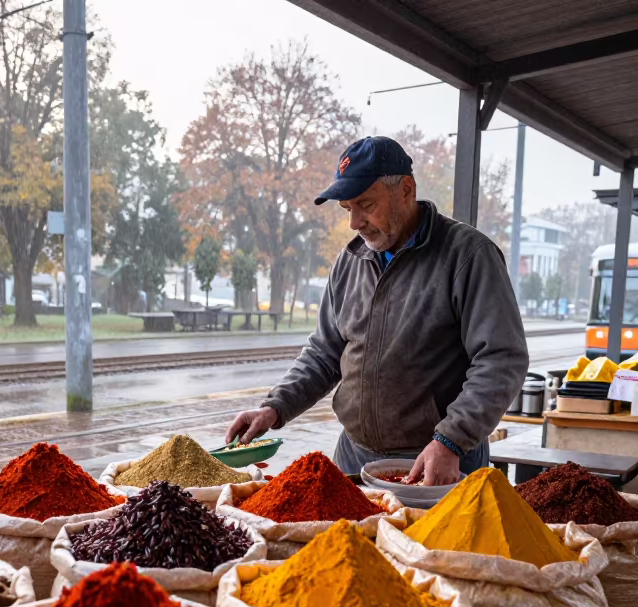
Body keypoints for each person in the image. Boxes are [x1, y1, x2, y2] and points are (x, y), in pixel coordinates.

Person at [225, 136, 528, 485]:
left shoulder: (468, 257)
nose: (354, 222)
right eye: (347, 209)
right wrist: (274, 408)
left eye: (365, 205)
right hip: (355, 457)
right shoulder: (350, 261)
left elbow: (501, 360)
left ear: (406, 190)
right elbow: (324, 354)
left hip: (437, 460)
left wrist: (452, 440)